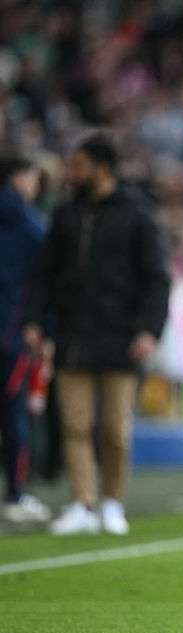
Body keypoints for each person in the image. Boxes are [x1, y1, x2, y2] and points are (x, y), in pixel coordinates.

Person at [24, 134, 170, 536]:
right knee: (74, 425)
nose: (70, 173)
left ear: (102, 168)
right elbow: (44, 275)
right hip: (72, 335)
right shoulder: (66, 216)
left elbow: (157, 279)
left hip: (121, 336)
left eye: (78, 165)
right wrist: (36, 321)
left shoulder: (137, 215)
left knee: (114, 430)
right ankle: (83, 503)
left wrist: (148, 330)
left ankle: (112, 502)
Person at [0, 153, 51, 524]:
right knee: (14, 414)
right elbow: (49, 283)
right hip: (12, 334)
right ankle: (15, 495)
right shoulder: (32, 227)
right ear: (19, 178)